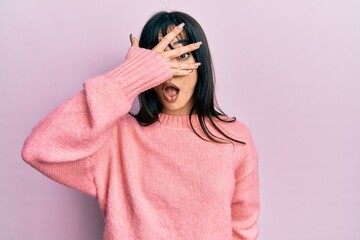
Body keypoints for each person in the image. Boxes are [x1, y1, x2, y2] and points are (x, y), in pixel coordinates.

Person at [22, 11, 260, 240]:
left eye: (182, 55)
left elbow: (243, 228)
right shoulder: (116, 137)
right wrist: (133, 75)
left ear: (201, 65)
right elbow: (39, 150)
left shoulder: (234, 138)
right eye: (159, 59)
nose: (170, 71)